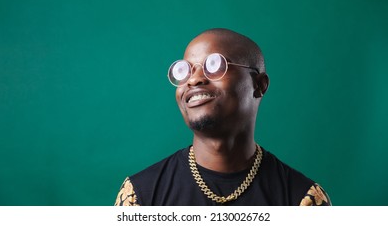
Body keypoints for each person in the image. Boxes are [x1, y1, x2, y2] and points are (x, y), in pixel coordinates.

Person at [114, 28, 331, 206]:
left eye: (214, 66)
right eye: (185, 71)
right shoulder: (139, 197)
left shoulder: (304, 201)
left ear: (259, 85)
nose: (193, 80)